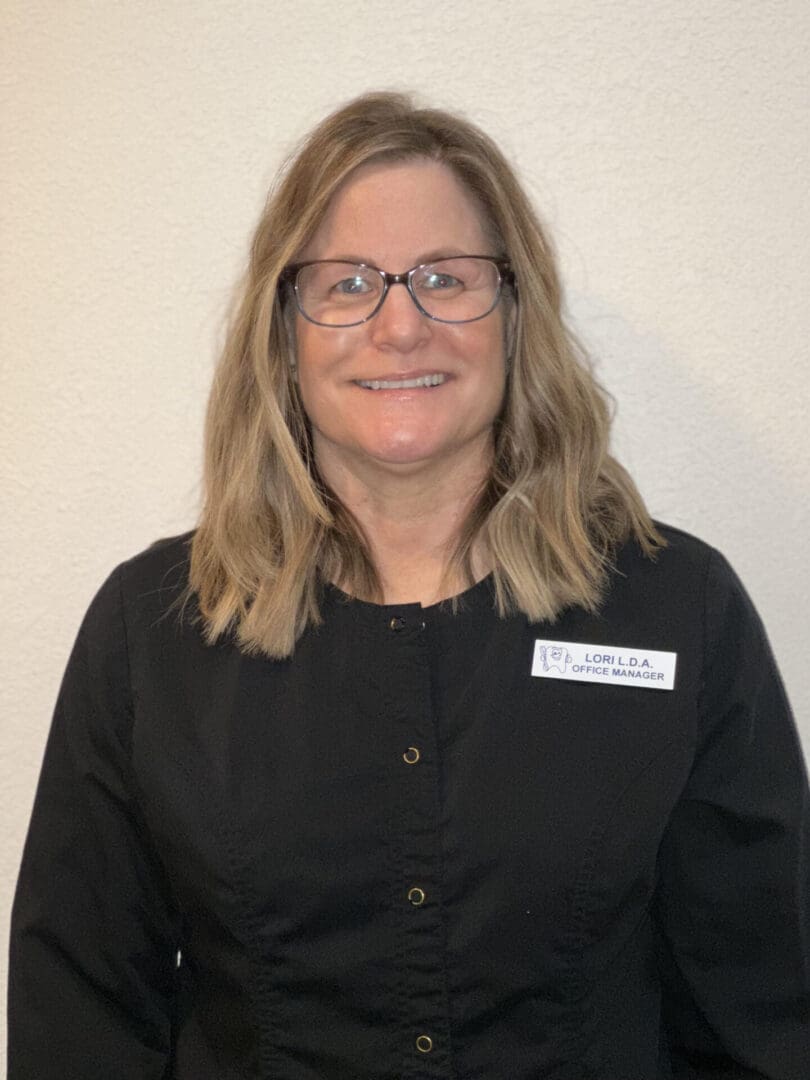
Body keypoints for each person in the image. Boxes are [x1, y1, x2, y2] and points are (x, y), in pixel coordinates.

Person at [8, 91, 809, 1080]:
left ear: (515, 316)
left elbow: (761, 1014)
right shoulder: (151, 631)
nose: (400, 325)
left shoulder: (679, 610)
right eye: (347, 283)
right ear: (283, 331)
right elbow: (77, 1021)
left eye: (444, 277)